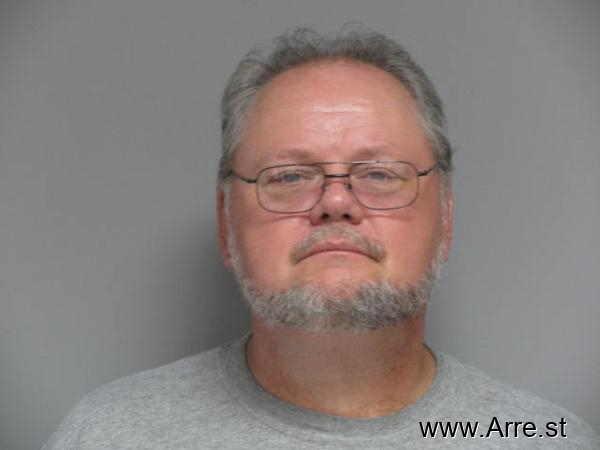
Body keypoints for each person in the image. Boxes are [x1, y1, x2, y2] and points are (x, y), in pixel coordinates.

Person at [44, 26, 599, 449]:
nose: (336, 202)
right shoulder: (108, 436)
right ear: (225, 223)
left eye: (380, 173)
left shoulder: (540, 437)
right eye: (289, 177)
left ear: (446, 218)